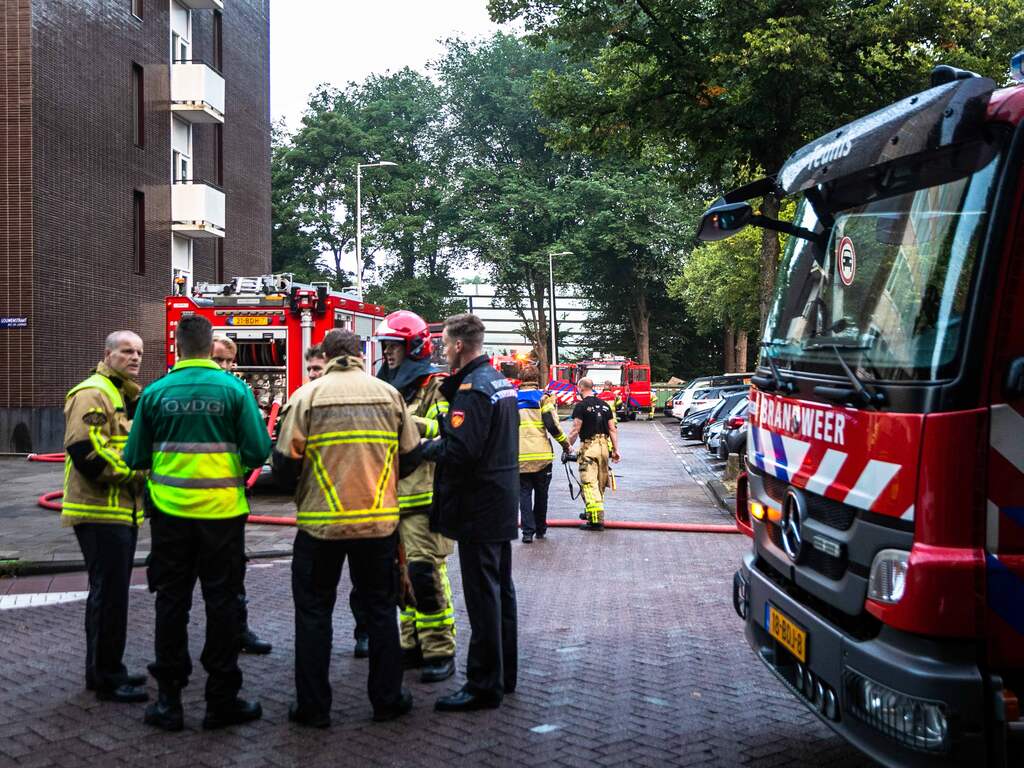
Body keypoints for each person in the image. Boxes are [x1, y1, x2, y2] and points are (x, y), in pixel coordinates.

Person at [124, 315, 271, 732]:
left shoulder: (154, 393)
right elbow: (259, 449)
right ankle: (221, 700)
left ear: (177, 345)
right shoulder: (234, 390)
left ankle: (170, 702)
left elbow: (135, 458)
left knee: (171, 603)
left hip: (170, 517)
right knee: (222, 604)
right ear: (210, 348)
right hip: (222, 516)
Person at [272, 329, 422, 727]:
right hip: (377, 525)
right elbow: (411, 456)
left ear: (326, 354)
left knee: (314, 614)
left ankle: (313, 708)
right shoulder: (388, 396)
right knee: (380, 612)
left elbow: (284, 465)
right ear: (359, 354)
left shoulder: (307, 397)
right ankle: (387, 700)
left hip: (320, 527)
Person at [422, 314, 519, 712]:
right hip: (499, 503)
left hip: (478, 506)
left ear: (460, 345)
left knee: (483, 597)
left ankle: (482, 685)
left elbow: (461, 452)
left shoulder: (473, 389)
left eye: (445, 344)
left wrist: (421, 450)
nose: (443, 351)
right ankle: (503, 675)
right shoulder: (500, 383)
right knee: (500, 592)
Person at [62, 330, 148, 704]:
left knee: (114, 595)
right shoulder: (93, 392)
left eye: (139, 352)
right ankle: (105, 677)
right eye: (127, 351)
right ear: (108, 354)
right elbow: (86, 452)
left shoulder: (125, 395)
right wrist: (138, 473)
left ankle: (110, 668)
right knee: (108, 595)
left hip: (119, 511)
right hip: (99, 511)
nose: (135, 358)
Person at [374, 310, 456, 683]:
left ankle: (440, 650)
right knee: (401, 578)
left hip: (424, 498)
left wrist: (405, 425)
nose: (388, 354)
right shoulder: (386, 387)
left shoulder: (434, 386)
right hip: (391, 499)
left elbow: (447, 430)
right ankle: (412, 645)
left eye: (394, 346)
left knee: (425, 574)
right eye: (385, 346)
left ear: (414, 347)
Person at [305, 342, 371, 659]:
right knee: (326, 592)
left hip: (340, 514)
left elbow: (286, 463)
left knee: (360, 586)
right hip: (350, 514)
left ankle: (363, 636)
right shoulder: (306, 401)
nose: (314, 374)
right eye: (311, 370)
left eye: (318, 368)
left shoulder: (305, 400)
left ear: (330, 363)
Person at [210, 334, 273, 656]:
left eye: (228, 361)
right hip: (212, 505)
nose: (224, 366)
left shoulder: (237, 393)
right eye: (217, 359)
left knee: (233, 577)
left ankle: (237, 632)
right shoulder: (237, 393)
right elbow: (257, 449)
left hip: (219, 503)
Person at [517, 364, 568, 543]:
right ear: (537, 379)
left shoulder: (512, 398)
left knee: (523, 494)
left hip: (520, 456)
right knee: (541, 493)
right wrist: (566, 444)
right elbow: (552, 425)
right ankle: (540, 529)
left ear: (520, 379)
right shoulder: (543, 398)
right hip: (541, 456)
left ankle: (527, 533)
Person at [566, 377, 621, 530]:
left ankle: (596, 521)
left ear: (580, 388)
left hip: (589, 447)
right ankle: (591, 513)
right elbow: (612, 429)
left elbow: (575, 430)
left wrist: (567, 447)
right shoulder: (604, 406)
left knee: (589, 483)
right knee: (600, 482)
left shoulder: (581, 406)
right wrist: (615, 450)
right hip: (604, 447)